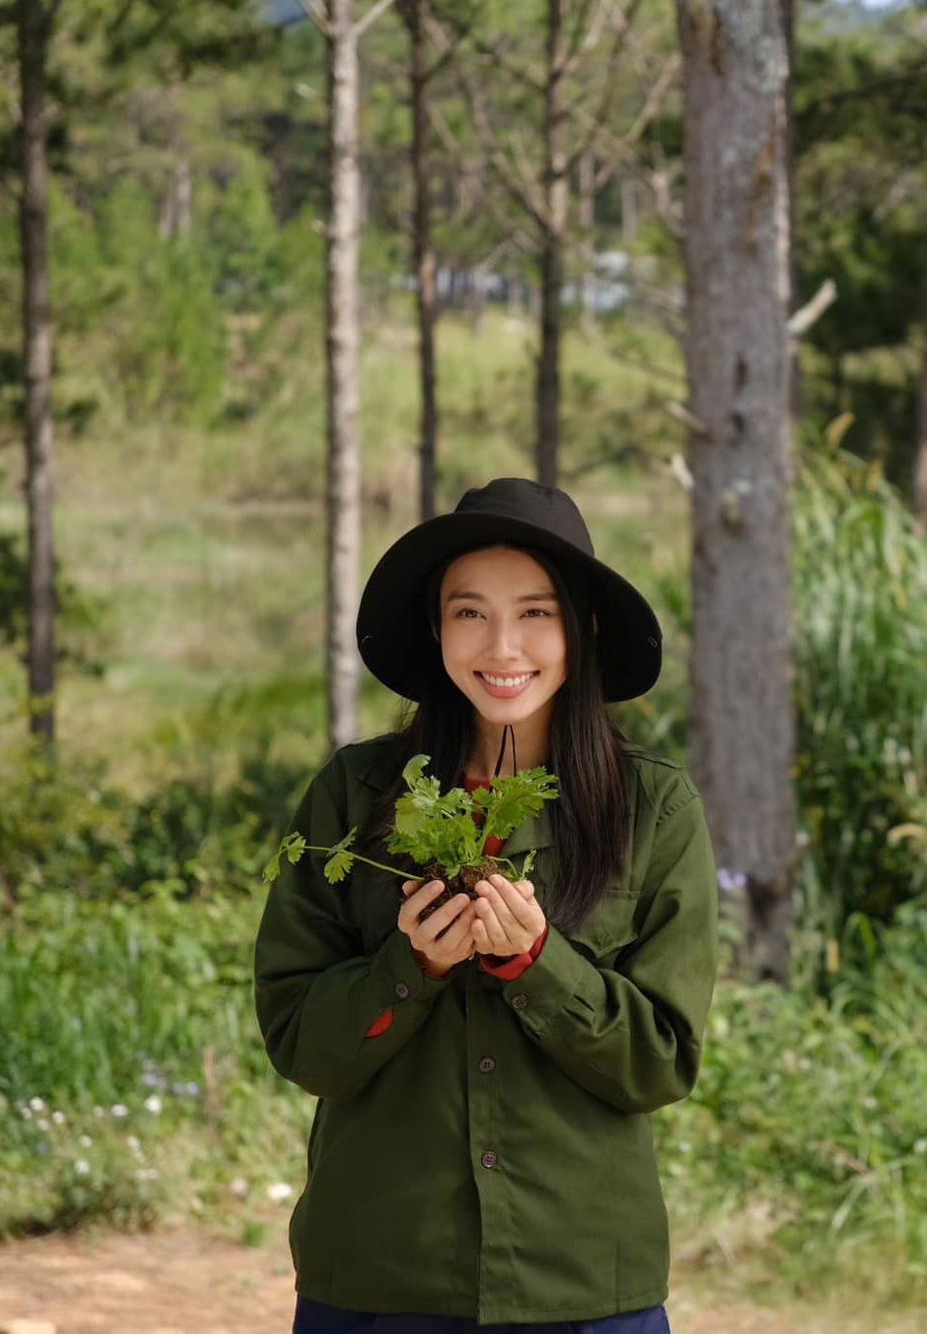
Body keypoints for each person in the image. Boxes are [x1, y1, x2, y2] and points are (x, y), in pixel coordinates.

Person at [254, 477, 719, 1333]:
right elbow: (300, 1044)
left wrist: (538, 966)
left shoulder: (656, 810)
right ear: (436, 632)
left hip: (579, 1281)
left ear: (582, 631)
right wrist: (410, 970)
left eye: (536, 613)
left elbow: (661, 1062)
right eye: (470, 613)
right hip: (379, 1275)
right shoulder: (352, 798)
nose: (503, 645)